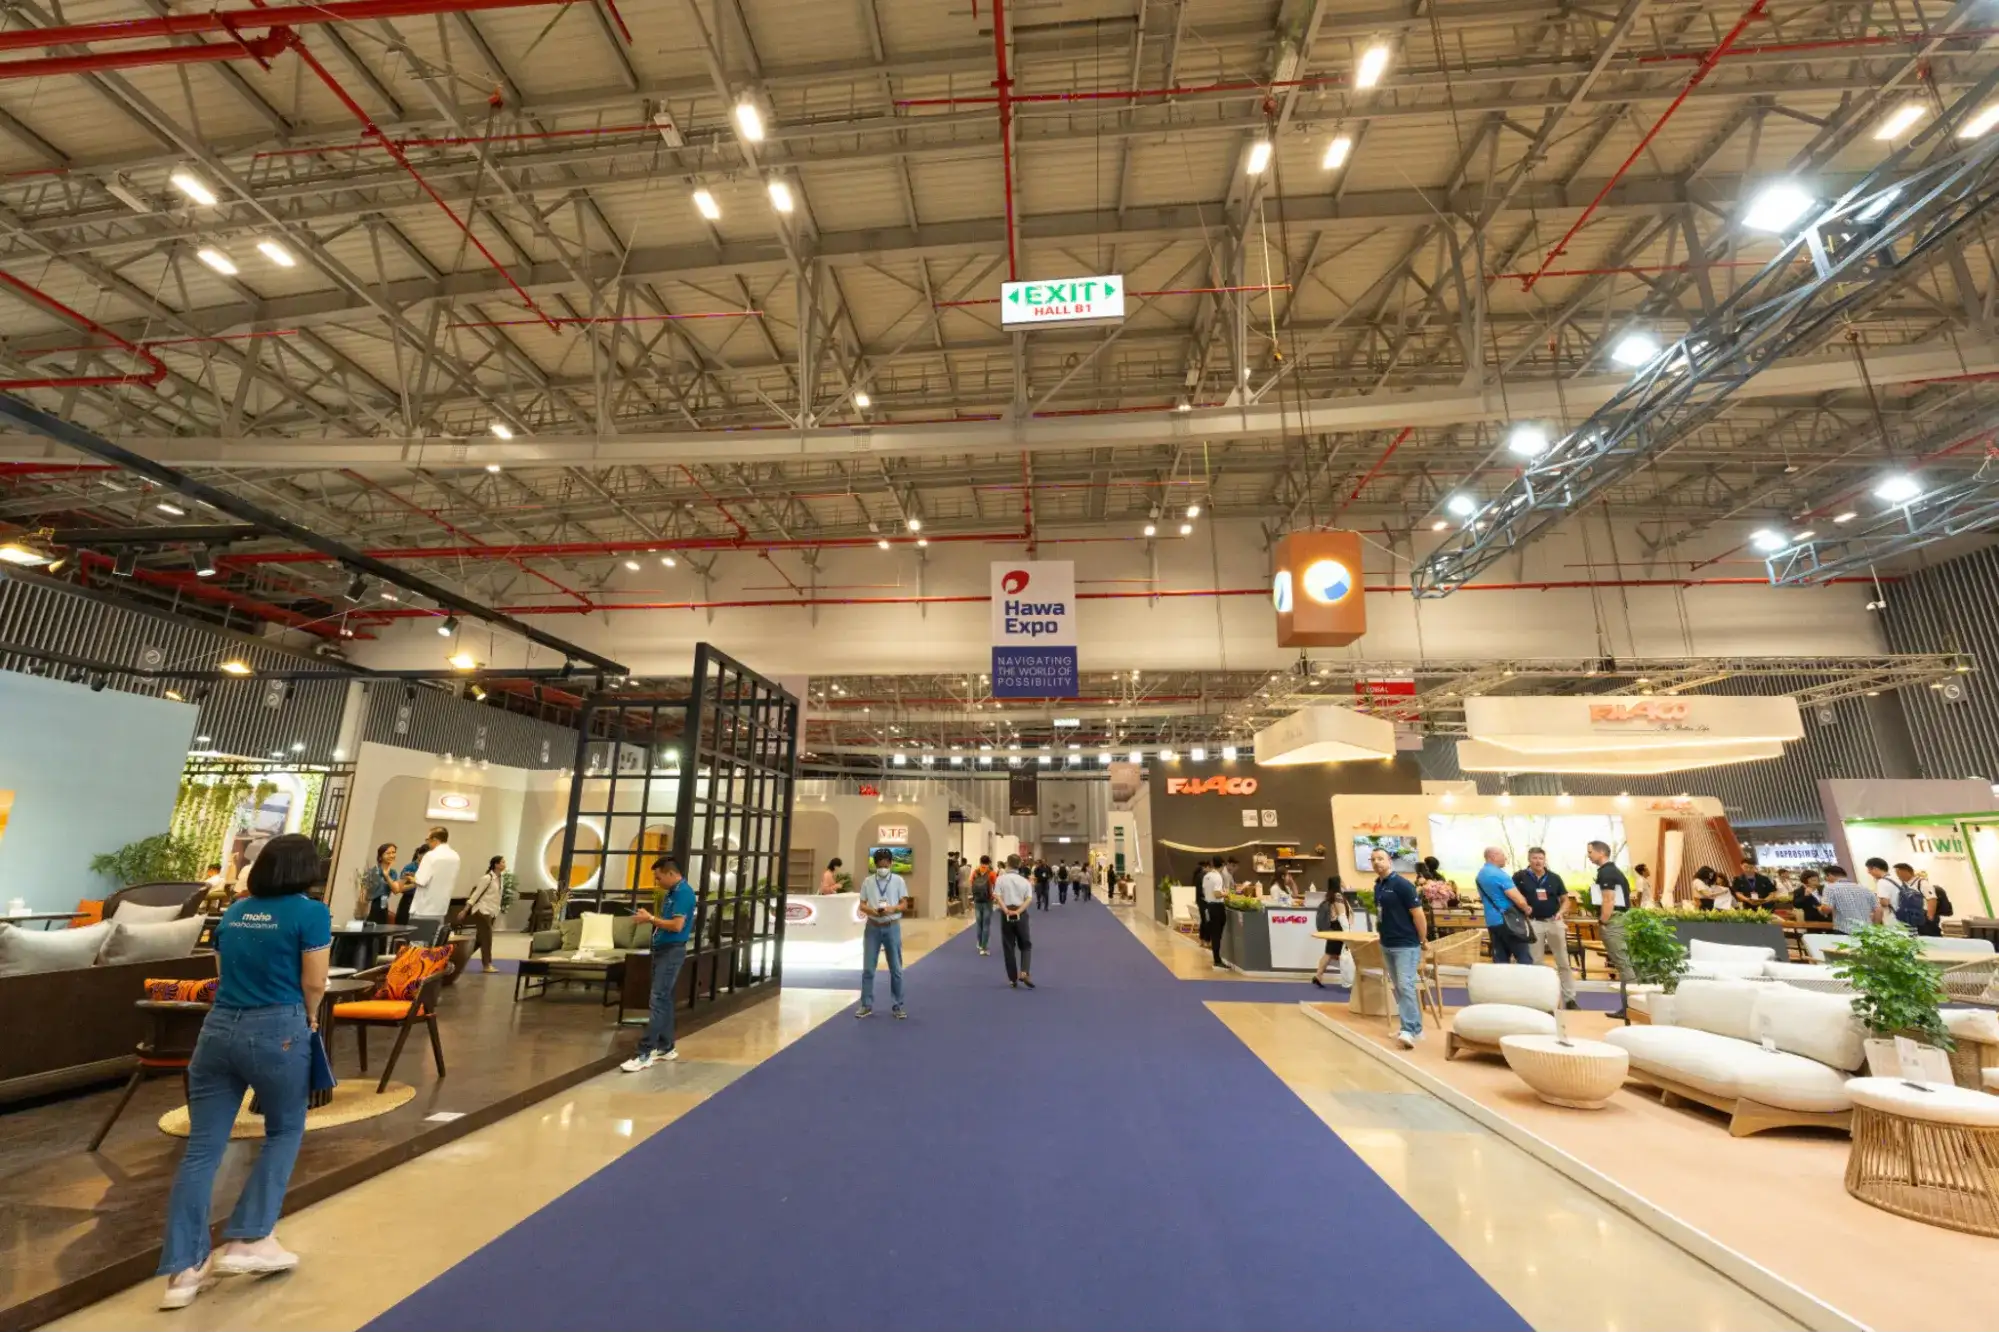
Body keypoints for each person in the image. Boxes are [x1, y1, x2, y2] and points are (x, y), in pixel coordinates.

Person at [155, 833, 330, 1310]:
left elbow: (221, 967)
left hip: (217, 1032)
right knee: (285, 1128)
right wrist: (311, 1016)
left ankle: (183, 1272)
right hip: (278, 1028)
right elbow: (314, 980)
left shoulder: (235, 911)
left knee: (202, 1149)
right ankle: (249, 1238)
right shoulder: (310, 912)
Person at [622, 856, 694, 1070]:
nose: (657, 882)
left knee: (658, 999)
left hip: (672, 952)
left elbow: (677, 926)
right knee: (664, 1000)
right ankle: (666, 1047)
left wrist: (650, 919)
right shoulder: (673, 892)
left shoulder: (683, 893)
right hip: (663, 950)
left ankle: (644, 1053)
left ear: (670, 873)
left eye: (658, 877)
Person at [1370, 846, 1429, 1048]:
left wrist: (1423, 939)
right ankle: (1412, 1027)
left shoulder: (1402, 885)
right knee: (1399, 987)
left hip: (1406, 944)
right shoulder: (1378, 885)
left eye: (1380, 858)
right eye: (1373, 859)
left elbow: (1418, 914)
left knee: (1405, 985)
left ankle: (1409, 1029)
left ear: (1389, 861)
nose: (1376, 862)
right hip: (1387, 943)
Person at [1514, 847, 1577, 1009]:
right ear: (1529, 860)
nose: (1538, 861)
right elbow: (1513, 897)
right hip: (1533, 923)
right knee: (1535, 962)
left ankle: (1570, 999)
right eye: (1534, 858)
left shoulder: (1554, 878)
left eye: (1541, 858)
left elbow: (1565, 900)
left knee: (1563, 961)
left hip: (1554, 921)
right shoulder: (1520, 877)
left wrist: (1561, 912)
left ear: (1545, 860)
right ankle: (1538, 999)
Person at [857, 849, 909, 1018]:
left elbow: (904, 904)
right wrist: (873, 911)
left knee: (896, 968)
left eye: (886, 863)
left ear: (891, 863)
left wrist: (891, 908)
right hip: (872, 927)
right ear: (875, 864)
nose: (883, 867)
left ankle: (897, 1005)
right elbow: (862, 905)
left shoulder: (899, 881)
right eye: (880, 864)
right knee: (868, 969)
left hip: (892, 926)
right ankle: (866, 1004)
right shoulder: (868, 882)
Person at [1587, 840, 1636, 1015]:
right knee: (1625, 965)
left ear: (1601, 853)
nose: (1588, 855)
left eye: (1590, 852)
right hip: (1621, 920)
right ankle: (1630, 1006)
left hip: (1614, 921)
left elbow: (1609, 899)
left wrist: (1603, 921)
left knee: (1624, 966)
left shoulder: (1607, 873)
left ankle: (1630, 1007)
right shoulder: (1612, 871)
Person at [1475, 846, 1533, 964]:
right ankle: (1526, 982)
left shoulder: (1481, 874)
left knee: (1500, 959)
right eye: (1502, 855)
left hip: (1492, 921)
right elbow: (1518, 899)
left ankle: (1502, 982)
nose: (1505, 858)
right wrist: (1527, 908)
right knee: (1524, 957)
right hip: (1510, 921)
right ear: (1493, 856)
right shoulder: (1499, 874)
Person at [406, 826, 461, 946]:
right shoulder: (455, 856)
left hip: (424, 908)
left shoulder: (431, 856)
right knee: (434, 946)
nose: (427, 843)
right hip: (441, 908)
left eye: (427, 839)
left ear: (435, 839)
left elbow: (421, 880)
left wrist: (411, 878)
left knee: (418, 945)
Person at [994, 854, 1035, 989]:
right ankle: (1024, 972)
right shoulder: (1025, 881)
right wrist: (1018, 911)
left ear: (1007, 864)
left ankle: (1012, 979)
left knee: (1008, 946)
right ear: (1020, 865)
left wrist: (1006, 910)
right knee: (1025, 944)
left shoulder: (1001, 879)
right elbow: (1028, 898)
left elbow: (997, 896)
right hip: (1021, 914)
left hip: (1006, 914)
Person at [461, 856, 504, 972]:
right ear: (496, 864)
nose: (504, 864)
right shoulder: (487, 878)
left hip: (491, 911)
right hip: (481, 910)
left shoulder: (500, 879)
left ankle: (459, 958)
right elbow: (475, 895)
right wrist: (465, 910)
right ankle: (487, 965)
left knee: (480, 940)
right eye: (502, 862)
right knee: (487, 938)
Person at [1312, 874, 1348, 989]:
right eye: (1341, 881)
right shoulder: (1338, 896)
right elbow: (1341, 913)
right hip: (1338, 927)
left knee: (1331, 953)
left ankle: (1318, 975)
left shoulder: (1331, 896)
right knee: (1331, 954)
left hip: (1333, 927)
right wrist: (1346, 929)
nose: (1343, 882)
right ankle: (1319, 975)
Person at [1824, 865, 1882, 935]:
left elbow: (1827, 908)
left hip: (1844, 930)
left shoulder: (1831, 888)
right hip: (1867, 931)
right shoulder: (1864, 888)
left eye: (1826, 877)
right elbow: (1879, 910)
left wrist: (1821, 909)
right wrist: (1875, 927)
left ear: (1829, 875)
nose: (1826, 880)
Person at [1200, 857, 1228, 970]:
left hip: (1208, 906)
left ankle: (1216, 958)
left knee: (1213, 934)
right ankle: (1217, 960)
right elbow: (1217, 894)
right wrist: (1225, 894)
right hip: (1217, 907)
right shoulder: (1217, 877)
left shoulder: (1206, 876)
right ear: (1222, 865)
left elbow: (1204, 891)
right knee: (1217, 935)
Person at [361, 843, 398, 926]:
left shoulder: (393, 873)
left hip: (384, 905)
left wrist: (386, 876)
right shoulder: (372, 872)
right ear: (380, 856)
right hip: (372, 906)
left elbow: (396, 890)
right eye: (388, 853)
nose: (392, 855)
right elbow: (363, 894)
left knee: (382, 932)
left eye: (393, 852)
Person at [970, 855, 996, 956]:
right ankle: (984, 947)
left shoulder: (975, 872)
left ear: (980, 861)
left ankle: (979, 943)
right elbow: (995, 885)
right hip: (987, 900)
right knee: (986, 924)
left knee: (979, 923)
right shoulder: (991, 873)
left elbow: (971, 883)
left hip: (977, 900)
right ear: (989, 862)